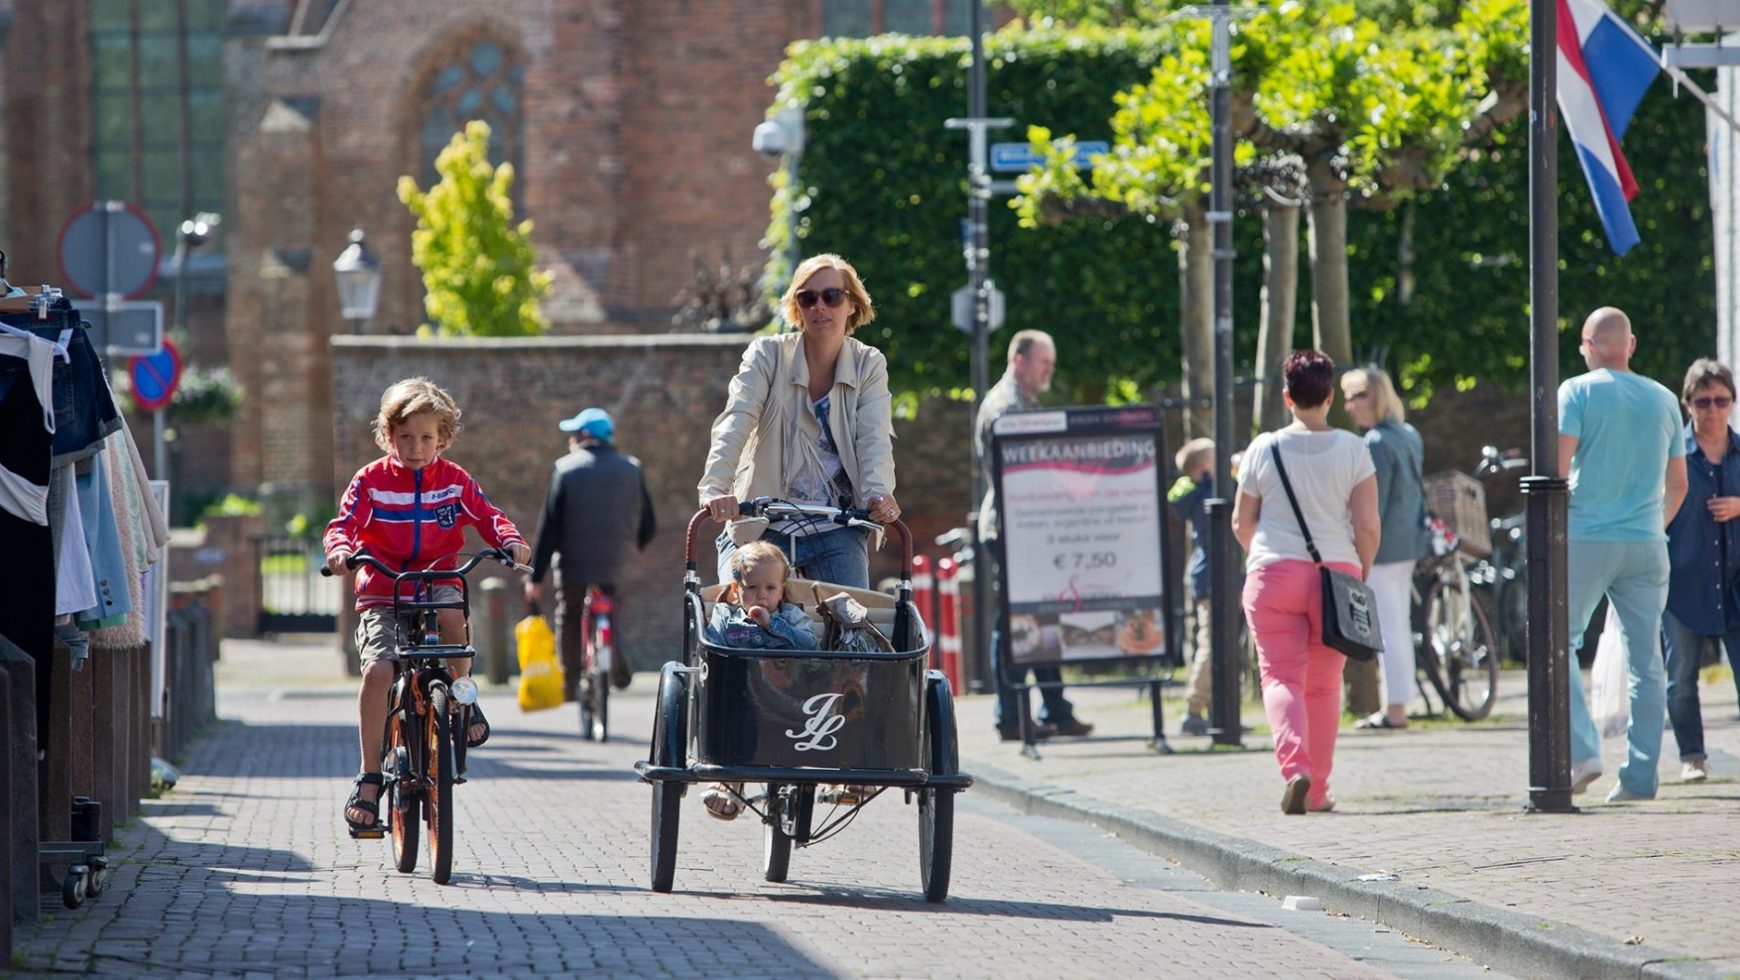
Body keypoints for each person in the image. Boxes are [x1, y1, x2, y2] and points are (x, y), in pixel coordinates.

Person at [323, 377, 531, 836]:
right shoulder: (371, 480)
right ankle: (370, 777)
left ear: (443, 438)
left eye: (426, 438)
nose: (415, 448)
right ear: (387, 436)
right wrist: (339, 550)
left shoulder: (455, 481)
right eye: (404, 438)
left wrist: (510, 541)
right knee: (380, 671)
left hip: (436, 579)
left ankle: (462, 698)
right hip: (383, 587)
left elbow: (488, 516)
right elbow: (344, 523)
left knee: (455, 610)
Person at [1233, 350, 1380, 815]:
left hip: (1274, 574)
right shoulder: (1355, 450)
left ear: (1286, 397)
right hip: (1334, 577)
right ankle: (1317, 791)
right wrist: (1362, 570)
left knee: (1279, 677)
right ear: (1331, 396)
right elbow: (1367, 526)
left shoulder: (1263, 448)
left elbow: (1241, 520)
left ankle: (1295, 767)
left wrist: (1264, 557)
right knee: (1323, 686)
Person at [699, 253, 900, 590]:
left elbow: (874, 440)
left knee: (851, 627)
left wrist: (879, 496)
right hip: (763, 522)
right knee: (739, 623)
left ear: (851, 304)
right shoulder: (767, 355)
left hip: (836, 525)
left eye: (832, 296)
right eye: (807, 298)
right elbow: (736, 420)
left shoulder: (868, 364)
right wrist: (716, 489)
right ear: (797, 307)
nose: (819, 307)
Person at [1558, 307, 1687, 802]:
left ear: (1588, 346)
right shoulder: (1663, 399)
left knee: (1559, 643)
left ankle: (1584, 750)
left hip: (1588, 537)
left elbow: (1556, 466)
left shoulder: (1577, 391)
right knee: (1647, 662)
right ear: (1630, 345)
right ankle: (1640, 776)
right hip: (1647, 543)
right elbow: (1679, 485)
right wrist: (1650, 526)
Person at [977, 329, 1094, 742]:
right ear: (1019, 361)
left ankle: (1056, 709)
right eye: (1044, 362)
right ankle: (1011, 718)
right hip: (1012, 528)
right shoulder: (1006, 408)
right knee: (1014, 623)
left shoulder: (1019, 403)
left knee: (1040, 615)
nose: (1049, 370)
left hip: (1025, 527)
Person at [524, 406, 656, 698]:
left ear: (583, 436)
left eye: (572, 433)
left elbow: (549, 528)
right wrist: (633, 549)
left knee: (570, 612)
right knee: (612, 606)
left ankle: (570, 682)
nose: (570, 439)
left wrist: (536, 576)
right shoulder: (632, 467)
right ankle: (619, 666)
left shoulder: (565, 468)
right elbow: (648, 523)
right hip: (618, 562)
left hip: (574, 562)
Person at [1660, 358, 1740, 784]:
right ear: (1687, 404)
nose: (1713, 410)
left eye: (1721, 401)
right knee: (1681, 677)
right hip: (1683, 582)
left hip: (1735, 581)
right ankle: (1692, 756)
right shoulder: (1673, 458)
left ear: (1732, 403)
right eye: (1703, 401)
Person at [1341, 366, 1431, 731]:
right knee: (1398, 627)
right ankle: (1397, 705)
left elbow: (1371, 506)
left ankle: (1395, 710)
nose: (1348, 406)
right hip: (1408, 541)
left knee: (1389, 630)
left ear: (1374, 397)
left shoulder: (1375, 442)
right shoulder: (1408, 434)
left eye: (1355, 396)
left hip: (1383, 547)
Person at [1168, 437, 1216, 736]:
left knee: (1214, 644)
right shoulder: (1209, 492)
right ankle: (1194, 708)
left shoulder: (1195, 493)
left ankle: (1215, 707)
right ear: (1207, 467)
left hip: (1205, 575)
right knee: (1210, 644)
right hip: (1212, 577)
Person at [705, 540, 819, 651]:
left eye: (770, 588)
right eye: (752, 587)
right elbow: (714, 650)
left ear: (781, 591)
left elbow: (810, 645)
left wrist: (771, 623)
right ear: (735, 590)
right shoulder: (725, 615)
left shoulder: (792, 615)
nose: (762, 595)